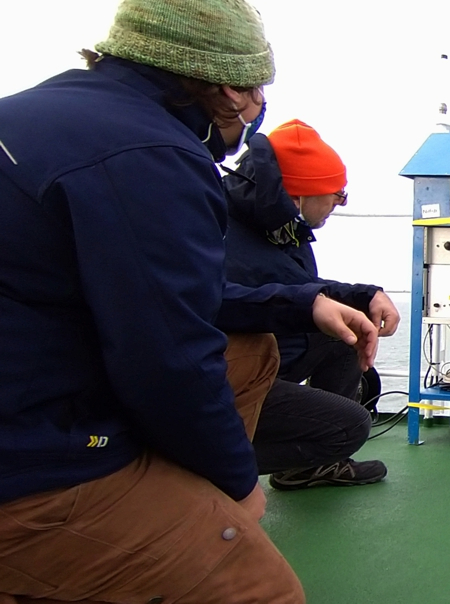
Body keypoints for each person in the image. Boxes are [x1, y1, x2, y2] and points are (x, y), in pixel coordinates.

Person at [0, 0, 377, 601]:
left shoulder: (38, 113)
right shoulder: (154, 156)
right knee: (260, 589)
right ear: (229, 89)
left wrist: (305, 302)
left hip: (34, 384)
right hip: (32, 460)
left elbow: (169, 299)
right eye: (257, 96)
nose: (255, 115)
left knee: (251, 350)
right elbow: (168, 355)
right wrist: (234, 485)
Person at [224, 119, 399, 489]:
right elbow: (230, 298)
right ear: (298, 194)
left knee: (344, 335)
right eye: (336, 193)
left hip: (263, 352)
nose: (339, 201)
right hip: (222, 375)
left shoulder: (277, 224)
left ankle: (308, 467)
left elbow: (298, 288)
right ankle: (197, 467)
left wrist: (365, 296)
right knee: (349, 426)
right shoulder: (226, 234)